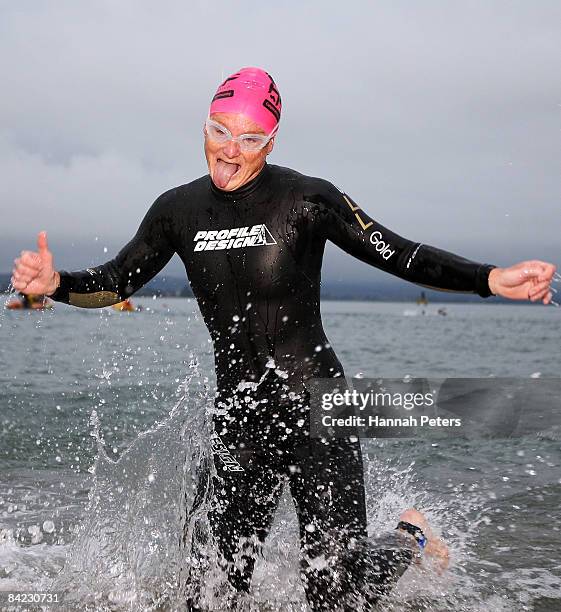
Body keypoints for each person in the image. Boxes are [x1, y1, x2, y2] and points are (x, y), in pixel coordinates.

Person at [11, 67, 556, 610]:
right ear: (203, 127)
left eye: (249, 138)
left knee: (338, 595)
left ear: (271, 142)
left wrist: (487, 278)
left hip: (317, 408)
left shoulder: (308, 199)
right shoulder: (175, 212)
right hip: (241, 414)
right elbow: (112, 284)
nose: (230, 150)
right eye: (220, 130)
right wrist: (57, 286)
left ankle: (410, 538)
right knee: (205, 594)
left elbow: (400, 253)